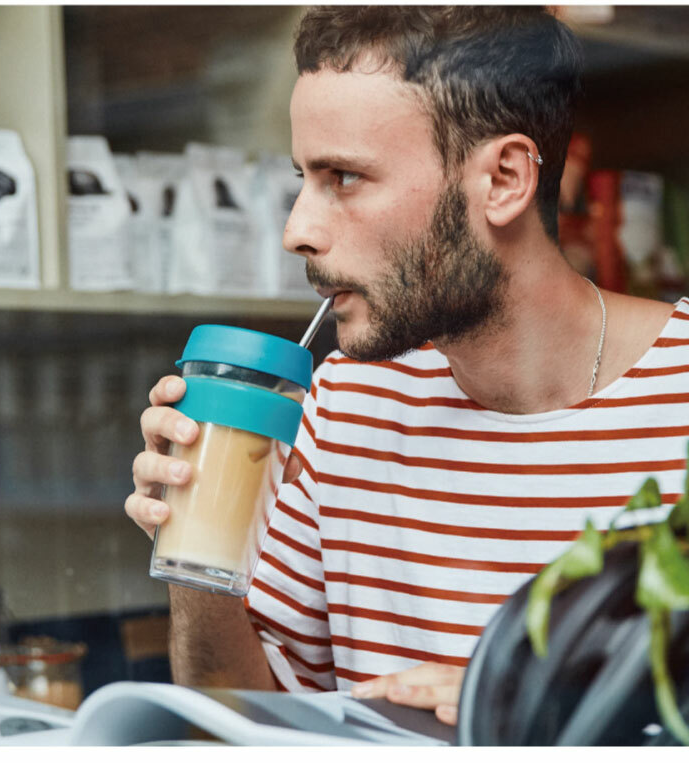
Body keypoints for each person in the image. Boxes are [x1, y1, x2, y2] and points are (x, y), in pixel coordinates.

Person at [125, 6, 689, 727]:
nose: (298, 230)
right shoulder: (345, 401)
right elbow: (242, 713)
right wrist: (197, 551)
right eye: (303, 177)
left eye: (344, 177)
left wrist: (523, 700)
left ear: (504, 179)